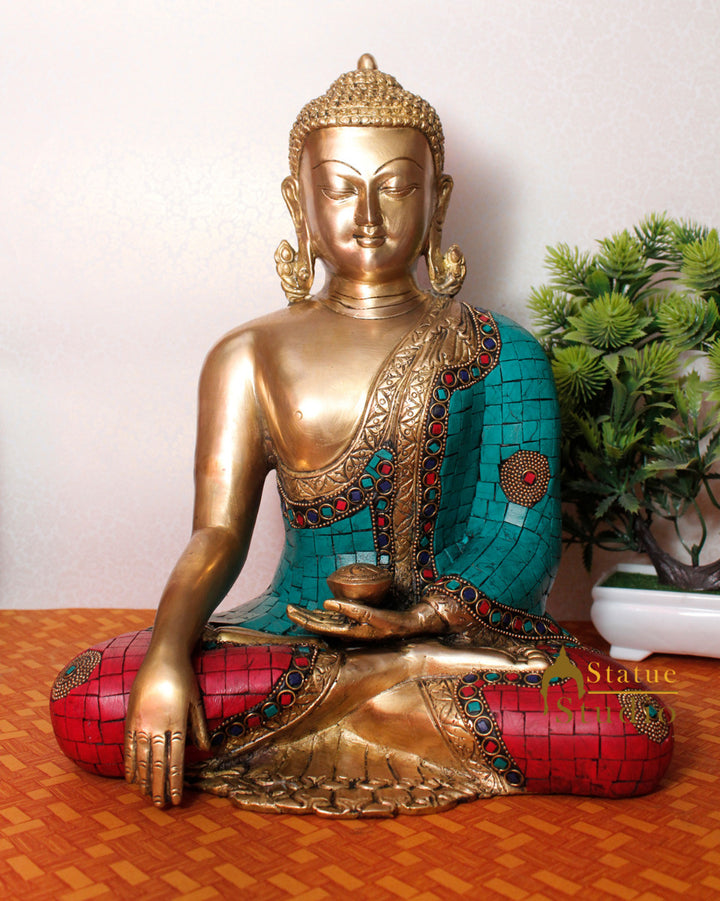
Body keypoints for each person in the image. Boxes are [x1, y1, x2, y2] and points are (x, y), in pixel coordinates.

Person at [50, 56, 673, 817]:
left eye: (397, 186)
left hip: (452, 643)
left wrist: (418, 623)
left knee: (629, 727)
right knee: (91, 696)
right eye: (341, 188)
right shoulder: (249, 355)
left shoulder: (499, 353)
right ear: (299, 201)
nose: (369, 216)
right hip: (291, 634)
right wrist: (170, 653)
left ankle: (378, 687)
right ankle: (382, 694)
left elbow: (521, 536)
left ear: (438, 200)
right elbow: (216, 534)